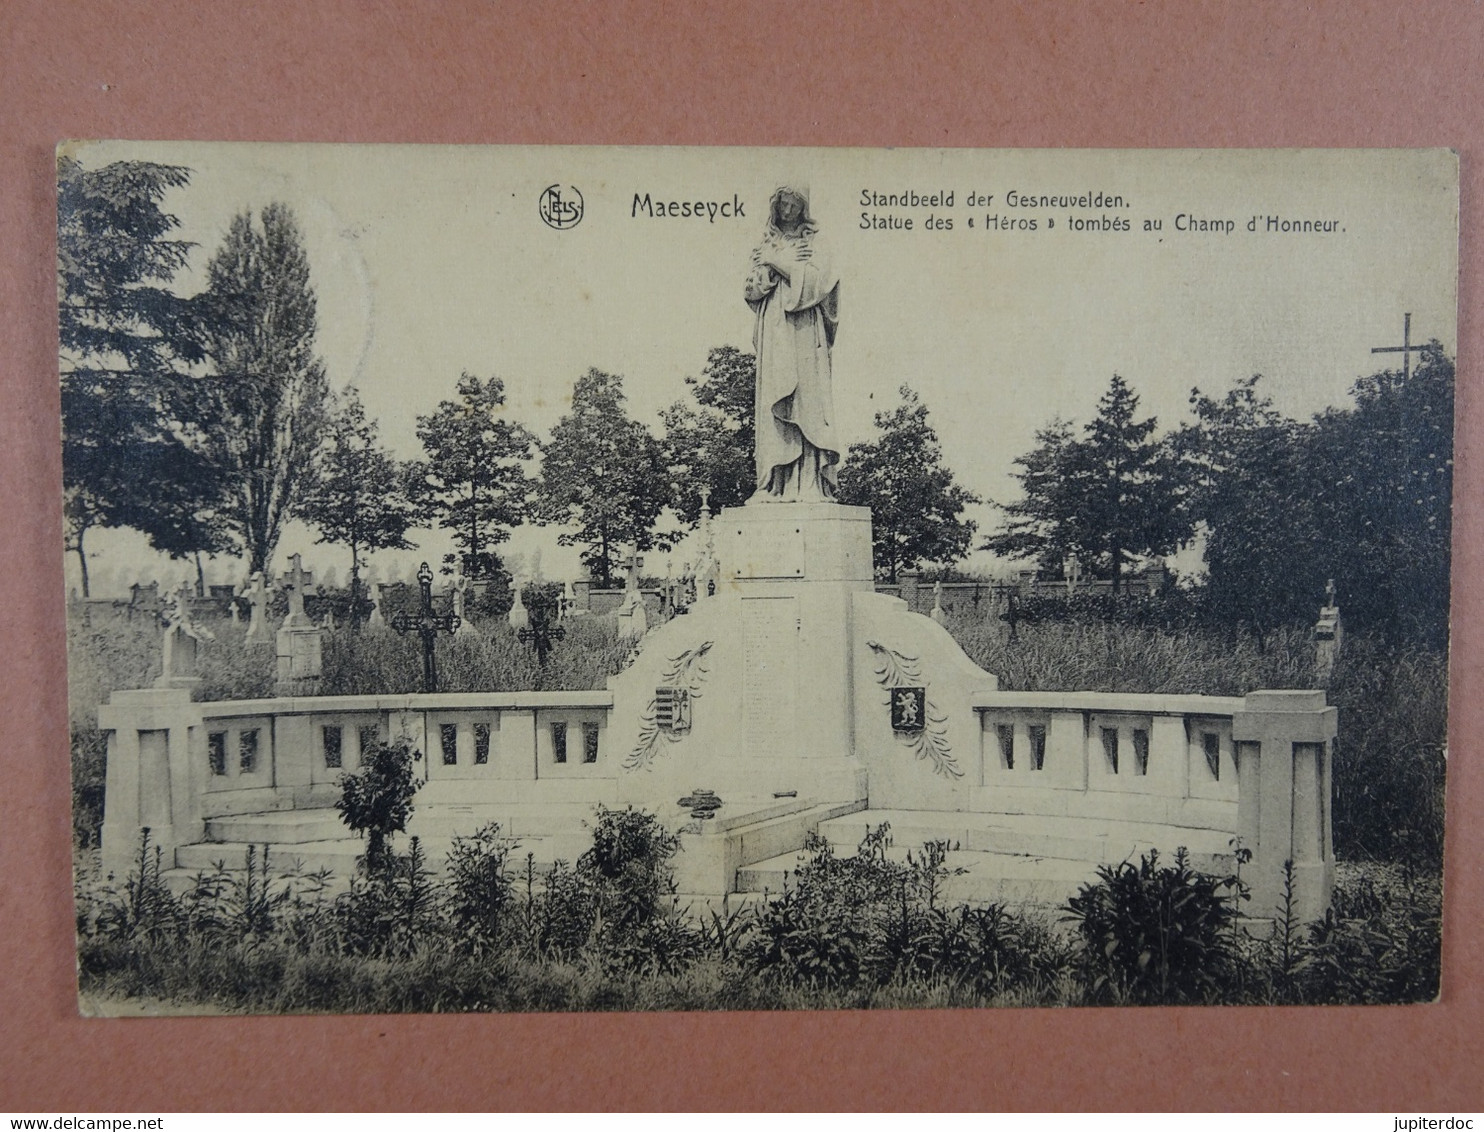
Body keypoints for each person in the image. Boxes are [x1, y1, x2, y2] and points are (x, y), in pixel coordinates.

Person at [744, 184, 841, 501]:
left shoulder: (816, 244)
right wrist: (775, 263)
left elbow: (818, 284)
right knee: (775, 401)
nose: (787, 212)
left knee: (806, 400)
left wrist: (777, 261)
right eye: (783, 205)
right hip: (775, 331)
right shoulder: (766, 244)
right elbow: (751, 291)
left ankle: (810, 481)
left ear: (804, 208)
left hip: (804, 331)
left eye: (794, 205)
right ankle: (775, 482)